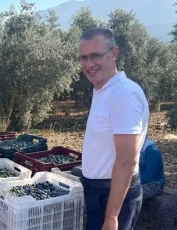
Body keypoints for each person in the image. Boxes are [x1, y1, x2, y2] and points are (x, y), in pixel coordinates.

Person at [78, 28, 149, 230]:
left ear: (114, 53)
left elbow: (127, 160)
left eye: (96, 56)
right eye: (84, 58)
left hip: (113, 196)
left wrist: (112, 217)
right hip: (99, 192)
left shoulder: (123, 94)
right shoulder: (103, 89)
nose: (89, 64)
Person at [139, 136, 165, 200]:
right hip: (140, 181)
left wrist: (132, 184)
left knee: (130, 195)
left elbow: (150, 174)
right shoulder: (139, 147)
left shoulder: (152, 150)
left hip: (155, 183)